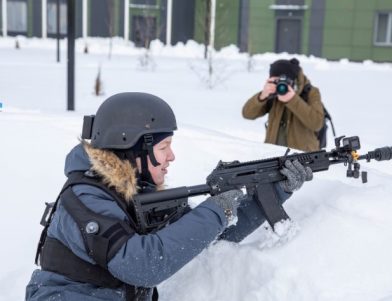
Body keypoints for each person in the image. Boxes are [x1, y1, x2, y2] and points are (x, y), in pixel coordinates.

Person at [25, 92, 313, 301]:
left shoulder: (139, 195)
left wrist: (276, 189)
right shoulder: (86, 199)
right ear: (134, 149)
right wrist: (215, 211)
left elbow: (207, 238)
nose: (171, 156)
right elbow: (140, 264)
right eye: (164, 147)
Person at [242, 58, 325, 152]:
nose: (281, 86)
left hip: (302, 158)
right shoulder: (273, 94)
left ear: (295, 80)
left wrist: (292, 99)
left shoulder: (310, 92)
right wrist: (262, 96)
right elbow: (247, 114)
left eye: (285, 81)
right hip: (273, 156)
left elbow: (316, 123)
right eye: (276, 81)